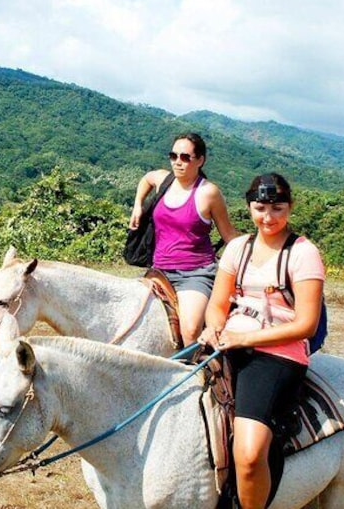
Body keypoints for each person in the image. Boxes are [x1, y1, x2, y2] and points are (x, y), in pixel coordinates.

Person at [198, 173, 325, 509]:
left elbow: (306, 324)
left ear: (290, 207)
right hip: (230, 343)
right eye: (260, 208)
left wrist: (246, 337)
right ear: (249, 207)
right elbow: (217, 305)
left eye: (277, 209)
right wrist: (213, 327)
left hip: (277, 355)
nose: (268, 218)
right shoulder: (237, 248)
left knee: (250, 453)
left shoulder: (303, 253)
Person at [129, 132, 237, 345]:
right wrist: (138, 205)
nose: (178, 162)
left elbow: (228, 235)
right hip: (158, 270)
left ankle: (198, 374)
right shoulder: (164, 180)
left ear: (200, 160)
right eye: (173, 156)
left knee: (190, 330)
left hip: (194, 273)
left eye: (185, 157)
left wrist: (263, 247)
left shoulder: (208, 193)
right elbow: (147, 178)